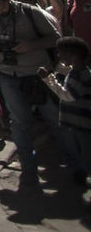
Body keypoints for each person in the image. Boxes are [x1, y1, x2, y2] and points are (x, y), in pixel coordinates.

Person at [0, 0, 60, 187]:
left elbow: (55, 38)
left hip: (37, 74)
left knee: (54, 118)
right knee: (19, 122)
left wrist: (29, 46)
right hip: (8, 73)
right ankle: (28, 168)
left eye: (0, 6)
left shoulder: (30, 13)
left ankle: (72, 160)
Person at [39, 36, 91, 183]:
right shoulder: (75, 72)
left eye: (61, 53)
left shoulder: (80, 75)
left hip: (83, 125)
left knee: (87, 156)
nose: (59, 56)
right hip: (77, 124)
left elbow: (67, 95)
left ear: (73, 54)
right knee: (81, 153)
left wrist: (49, 79)